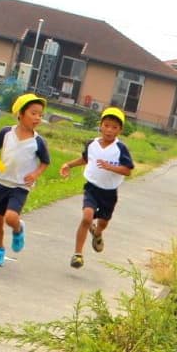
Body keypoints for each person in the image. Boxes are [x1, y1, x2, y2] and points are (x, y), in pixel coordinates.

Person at [60, 106, 136, 269]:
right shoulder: (92, 144)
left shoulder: (120, 149)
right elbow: (85, 159)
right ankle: (78, 254)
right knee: (87, 218)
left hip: (109, 192)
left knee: (103, 222)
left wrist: (111, 167)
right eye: (106, 125)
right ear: (100, 125)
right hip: (92, 188)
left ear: (120, 130)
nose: (109, 130)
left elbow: (128, 170)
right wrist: (68, 165)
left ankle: (98, 233)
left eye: (114, 127)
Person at [0, 94, 50, 266]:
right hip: (1, 181)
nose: (37, 118)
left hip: (20, 186)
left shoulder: (38, 141)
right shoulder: (6, 133)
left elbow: (45, 162)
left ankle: (18, 228)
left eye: (40, 115)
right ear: (20, 114)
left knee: (10, 218)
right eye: (33, 113)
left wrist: (35, 174)